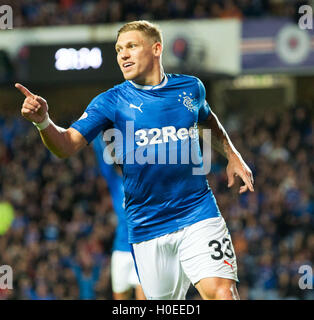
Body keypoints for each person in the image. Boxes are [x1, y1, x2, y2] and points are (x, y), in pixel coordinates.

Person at [15, 20, 254, 300]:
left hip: (197, 213)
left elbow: (206, 118)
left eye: (131, 46)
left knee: (223, 293)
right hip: (146, 225)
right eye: (118, 50)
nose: (123, 55)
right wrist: (43, 121)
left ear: (156, 48)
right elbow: (65, 146)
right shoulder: (110, 102)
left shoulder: (190, 88)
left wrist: (232, 154)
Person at [92, 132, 145, 300]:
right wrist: (95, 132)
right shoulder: (116, 183)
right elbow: (102, 160)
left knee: (143, 297)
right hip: (121, 250)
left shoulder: (145, 182)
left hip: (143, 249)